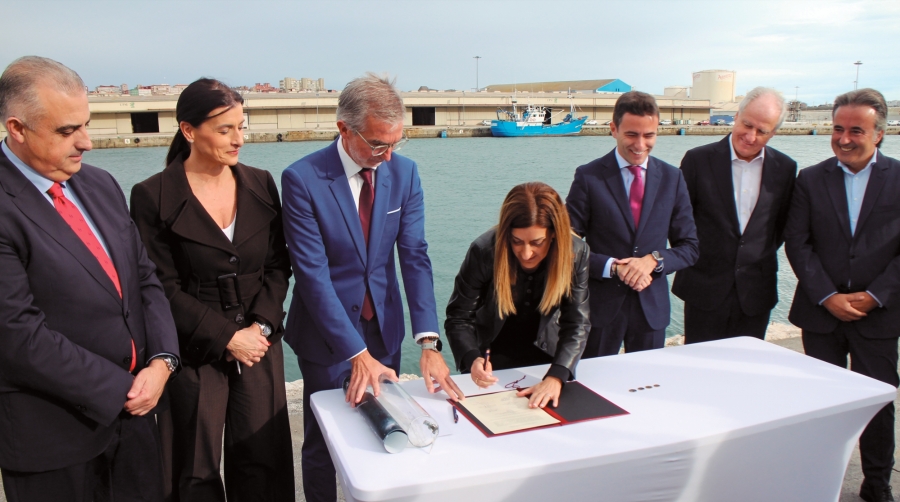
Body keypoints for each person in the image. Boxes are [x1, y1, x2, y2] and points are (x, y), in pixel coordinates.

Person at [0, 56, 179, 501]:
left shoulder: (99, 184)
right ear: (17, 128)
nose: (87, 143)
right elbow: (16, 334)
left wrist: (162, 361)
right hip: (53, 437)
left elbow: (144, 279)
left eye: (86, 124)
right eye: (66, 131)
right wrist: (123, 387)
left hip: (137, 420)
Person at [281, 73, 464, 502]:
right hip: (326, 338)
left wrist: (429, 340)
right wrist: (354, 353)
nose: (386, 155)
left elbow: (414, 255)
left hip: (383, 328)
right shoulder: (302, 179)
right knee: (325, 438)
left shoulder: (404, 173)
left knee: (392, 427)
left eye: (396, 143)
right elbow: (312, 274)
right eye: (378, 144)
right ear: (344, 129)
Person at [130, 78, 294, 501]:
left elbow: (278, 266)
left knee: (264, 461)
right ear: (188, 131)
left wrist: (260, 326)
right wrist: (226, 337)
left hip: (259, 344)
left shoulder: (260, 183)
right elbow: (160, 287)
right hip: (193, 354)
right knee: (193, 469)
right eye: (225, 130)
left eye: (242, 126)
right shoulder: (152, 195)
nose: (239, 139)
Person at [785, 88, 900, 502]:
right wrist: (827, 295)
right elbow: (797, 243)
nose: (844, 138)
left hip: (881, 315)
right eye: (838, 129)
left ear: (879, 134)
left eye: (856, 130)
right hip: (821, 314)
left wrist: (875, 294)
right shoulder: (811, 179)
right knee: (821, 405)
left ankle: (876, 483)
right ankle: (818, 480)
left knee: (877, 404)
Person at [566, 91, 699, 357]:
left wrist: (653, 261)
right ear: (613, 129)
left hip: (651, 311)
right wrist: (612, 267)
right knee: (594, 387)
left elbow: (690, 247)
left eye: (649, 135)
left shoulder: (673, 178)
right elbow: (567, 243)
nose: (640, 144)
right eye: (631, 135)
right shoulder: (588, 177)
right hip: (600, 309)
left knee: (648, 387)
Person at [445, 182, 590, 409]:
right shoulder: (483, 251)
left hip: (550, 360)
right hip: (491, 361)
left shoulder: (576, 253)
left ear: (554, 235)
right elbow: (459, 317)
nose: (526, 253)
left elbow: (577, 322)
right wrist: (472, 359)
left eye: (537, 242)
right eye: (516, 241)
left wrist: (557, 375)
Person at [672, 88, 798, 344]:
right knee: (699, 369)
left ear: (774, 132)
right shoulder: (697, 160)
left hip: (756, 291)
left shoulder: (785, 168)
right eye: (747, 124)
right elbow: (679, 221)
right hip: (703, 287)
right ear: (736, 116)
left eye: (762, 131)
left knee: (747, 371)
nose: (750, 136)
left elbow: (782, 226)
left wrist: (752, 254)